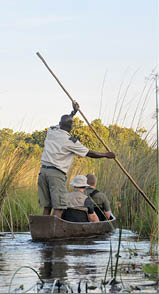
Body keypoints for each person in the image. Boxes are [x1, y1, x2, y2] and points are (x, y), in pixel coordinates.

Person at [38, 101, 115, 218]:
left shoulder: (52, 130)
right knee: (59, 206)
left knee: (47, 206)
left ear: (60, 124)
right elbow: (89, 153)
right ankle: (53, 232)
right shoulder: (70, 141)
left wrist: (73, 112)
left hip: (43, 171)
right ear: (71, 127)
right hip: (56, 174)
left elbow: (64, 122)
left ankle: (43, 229)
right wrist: (105, 155)